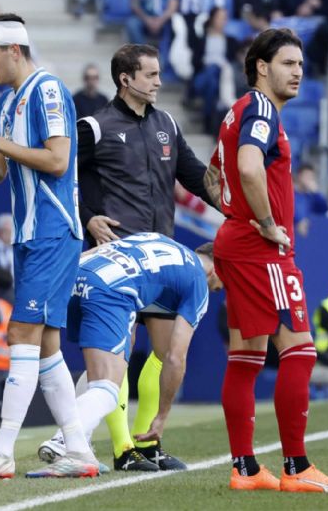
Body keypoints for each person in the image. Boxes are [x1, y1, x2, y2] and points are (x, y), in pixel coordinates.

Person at [0, 13, 98, 479]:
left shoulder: (48, 91)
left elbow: (57, 159)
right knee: (47, 345)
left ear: (14, 50)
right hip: (31, 234)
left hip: (53, 231)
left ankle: (1, 449)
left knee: (20, 334)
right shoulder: (8, 101)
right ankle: (78, 450)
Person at [205, 27, 328, 492]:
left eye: (302, 65)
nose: (298, 72)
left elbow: (215, 174)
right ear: (262, 67)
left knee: (246, 356)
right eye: (289, 63)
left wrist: (234, 216)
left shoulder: (238, 112)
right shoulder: (262, 109)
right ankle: (296, 466)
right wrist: (267, 223)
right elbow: (247, 167)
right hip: (262, 249)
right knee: (301, 351)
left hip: (238, 244)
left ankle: (245, 468)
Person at [68, 42, 217, 473]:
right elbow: (62, 178)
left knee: (164, 351)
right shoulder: (93, 127)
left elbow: (195, 177)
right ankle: (121, 449)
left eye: (158, 74)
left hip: (161, 260)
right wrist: (90, 218)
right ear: (125, 79)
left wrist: (243, 212)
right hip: (115, 258)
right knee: (119, 353)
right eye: (150, 75)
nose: (158, 82)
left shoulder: (167, 123)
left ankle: (149, 442)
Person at [39, 235, 222, 467]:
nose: (222, 289)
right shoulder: (198, 281)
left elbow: (105, 248)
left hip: (76, 275)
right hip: (110, 289)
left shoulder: (159, 238)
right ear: (216, 268)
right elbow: (176, 357)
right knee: (107, 388)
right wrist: (162, 418)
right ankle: (63, 440)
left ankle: (78, 445)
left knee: (99, 372)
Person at [293, 163, 328, 237]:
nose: (309, 179)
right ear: (299, 176)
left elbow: (324, 210)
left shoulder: (312, 197)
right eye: (307, 176)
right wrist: (298, 222)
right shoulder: (291, 194)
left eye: (311, 177)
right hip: (292, 234)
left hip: (310, 236)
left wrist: (316, 193)